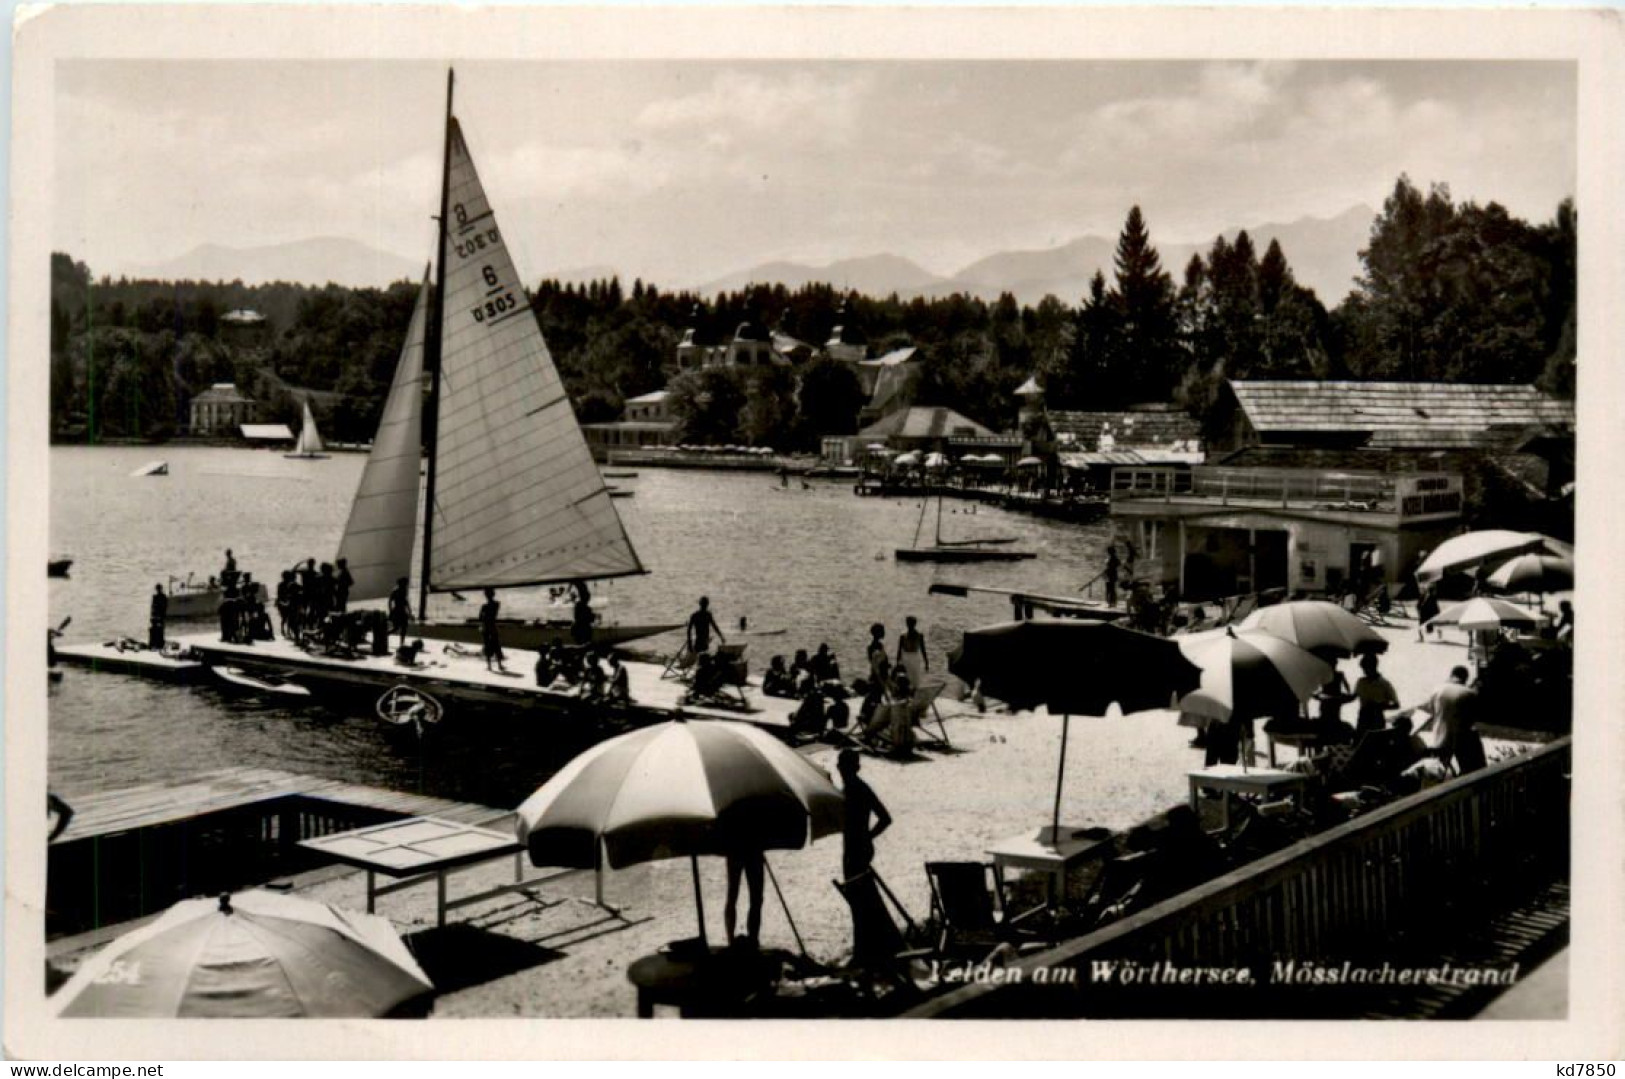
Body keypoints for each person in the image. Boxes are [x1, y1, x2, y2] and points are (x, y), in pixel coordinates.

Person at [1414, 665, 1485, 775]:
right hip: (1462, 735)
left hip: (1441, 733)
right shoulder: (1470, 693)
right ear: (1465, 678)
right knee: (1470, 768)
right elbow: (1474, 716)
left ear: (1451, 675)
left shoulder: (1438, 689)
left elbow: (1428, 709)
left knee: (1438, 767)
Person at [837, 749, 891, 881]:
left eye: (843, 767)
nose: (841, 771)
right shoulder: (852, 788)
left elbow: (885, 818)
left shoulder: (858, 789)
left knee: (859, 892)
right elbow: (885, 818)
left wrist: (868, 836)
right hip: (856, 847)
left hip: (857, 849)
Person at [724, 846, 766, 949]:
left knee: (752, 898)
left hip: (741, 850)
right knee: (736, 895)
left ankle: (750, 938)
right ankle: (747, 938)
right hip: (747, 850)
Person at [1353, 652, 1399, 734]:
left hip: (1377, 719)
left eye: (1367, 668)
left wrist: (1380, 706)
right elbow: (1353, 696)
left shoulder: (1384, 684)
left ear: (1374, 667)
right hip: (1363, 719)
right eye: (1364, 669)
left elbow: (1396, 705)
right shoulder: (1361, 682)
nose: (1365, 672)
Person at [895, 616, 929, 689]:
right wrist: (897, 663)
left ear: (914, 624)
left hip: (915, 657)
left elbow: (923, 649)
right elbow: (899, 650)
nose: (910, 625)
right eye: (909, 624)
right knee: (907, 677)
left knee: (915, 677)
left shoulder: (919, 636)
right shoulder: (903, 636)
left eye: (911, 624)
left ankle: (914, 692)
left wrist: (926, 662)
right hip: (906, 657)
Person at [478, 588, 506, 672]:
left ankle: (489, 666)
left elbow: (480, 617)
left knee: (487, 645)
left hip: (486, 626)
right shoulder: (497, 604)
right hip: (493, 626)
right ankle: (500, 665)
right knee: (496, 645)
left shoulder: (484, 606)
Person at [387, 577, 411, 646]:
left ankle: (402, 643)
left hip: (402, 611)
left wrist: (409, 610)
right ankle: (386, 634)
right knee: (396, 628)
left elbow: (405, 601)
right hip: (397, 610)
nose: (406, 585)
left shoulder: (404, 590)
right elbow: (390, 601)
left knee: (404, 628)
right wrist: (391, 611)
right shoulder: (395, 591)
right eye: (405, 583)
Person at [570, 581, 594, 646]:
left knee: (580, 643)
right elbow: (589, 619)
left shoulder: (579, 606)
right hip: (583, 629)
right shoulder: (584, 607)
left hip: (580, 628)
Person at [149, 583, 167, 650]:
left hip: (159, 617)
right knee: (154, 630)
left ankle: (158, 645)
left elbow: (163, 608)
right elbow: (153, 607)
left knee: (159, 630)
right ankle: (155, 644)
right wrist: (153, 616)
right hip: (157, 617)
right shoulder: (157, 597)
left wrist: (159, 616)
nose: (158, 590)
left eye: (158, 589)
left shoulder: (162, 597)